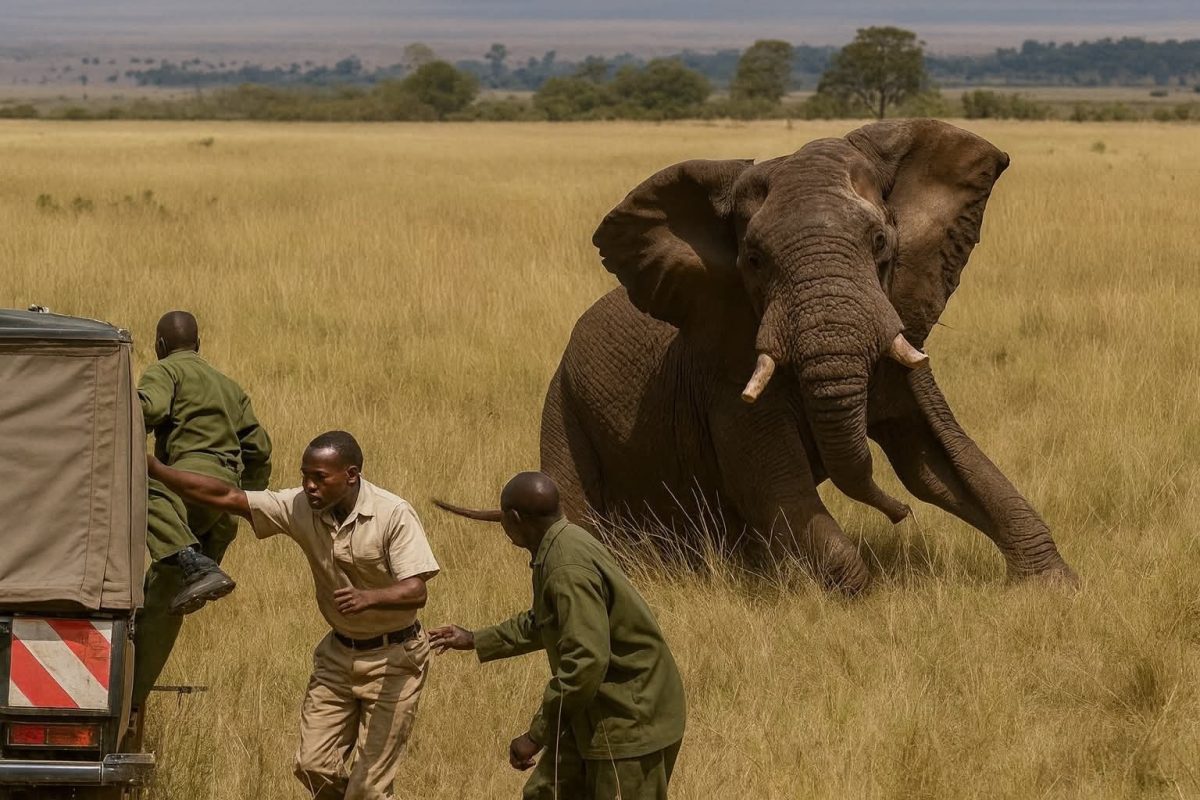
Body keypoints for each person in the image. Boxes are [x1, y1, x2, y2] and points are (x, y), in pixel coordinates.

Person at [148, 430, 439, 800]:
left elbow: (417, 590)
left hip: (395, 658)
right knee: (312, 766)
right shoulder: (301, 505)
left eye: (320, 477)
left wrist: (370, 597)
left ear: (351, 475)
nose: (309, 485)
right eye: (305, 475)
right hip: (338, 654)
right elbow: (227, 496)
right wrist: (157, 469)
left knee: (367, 788)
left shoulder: (392, 513)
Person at [429, 472, 686, 800]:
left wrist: (536, 736)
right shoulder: (563, 541)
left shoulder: (566, 569)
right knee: (543, 793)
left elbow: (586, 663)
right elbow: (547, 622)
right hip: (591, 711)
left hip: (629, 719)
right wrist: (476, 638)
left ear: (516, 519)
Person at [133, 310, 273, 705]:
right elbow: (260, 449)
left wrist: (113, 403)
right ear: (199, 343)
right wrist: (244, 500)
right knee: (166, 595)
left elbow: (150, 409)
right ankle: (132, 700)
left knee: (138, 487)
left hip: (185, 487)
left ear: (160, 346)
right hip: (222, 507)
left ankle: (188, 558)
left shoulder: (165, 371)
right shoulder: (230, 387)